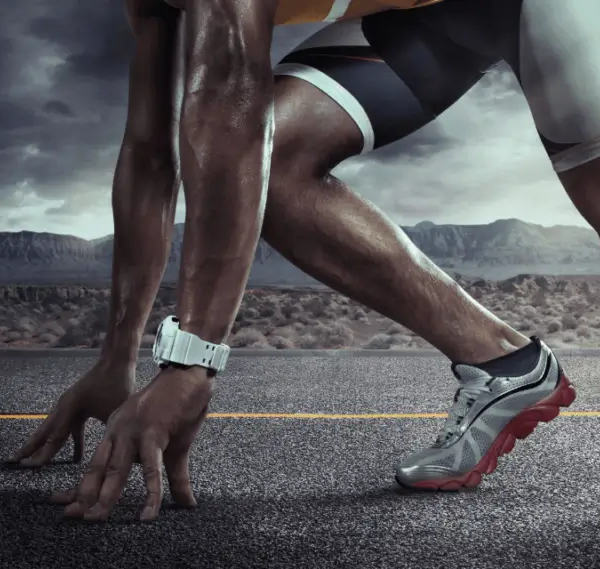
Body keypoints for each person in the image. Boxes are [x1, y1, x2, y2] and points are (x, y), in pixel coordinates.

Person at [7, 0, 595, 520]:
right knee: (274, 165)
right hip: (433, 12)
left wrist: (190, 363)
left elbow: (227, 108)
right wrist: (118, 356)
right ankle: (505, 365)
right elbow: (150, 154)